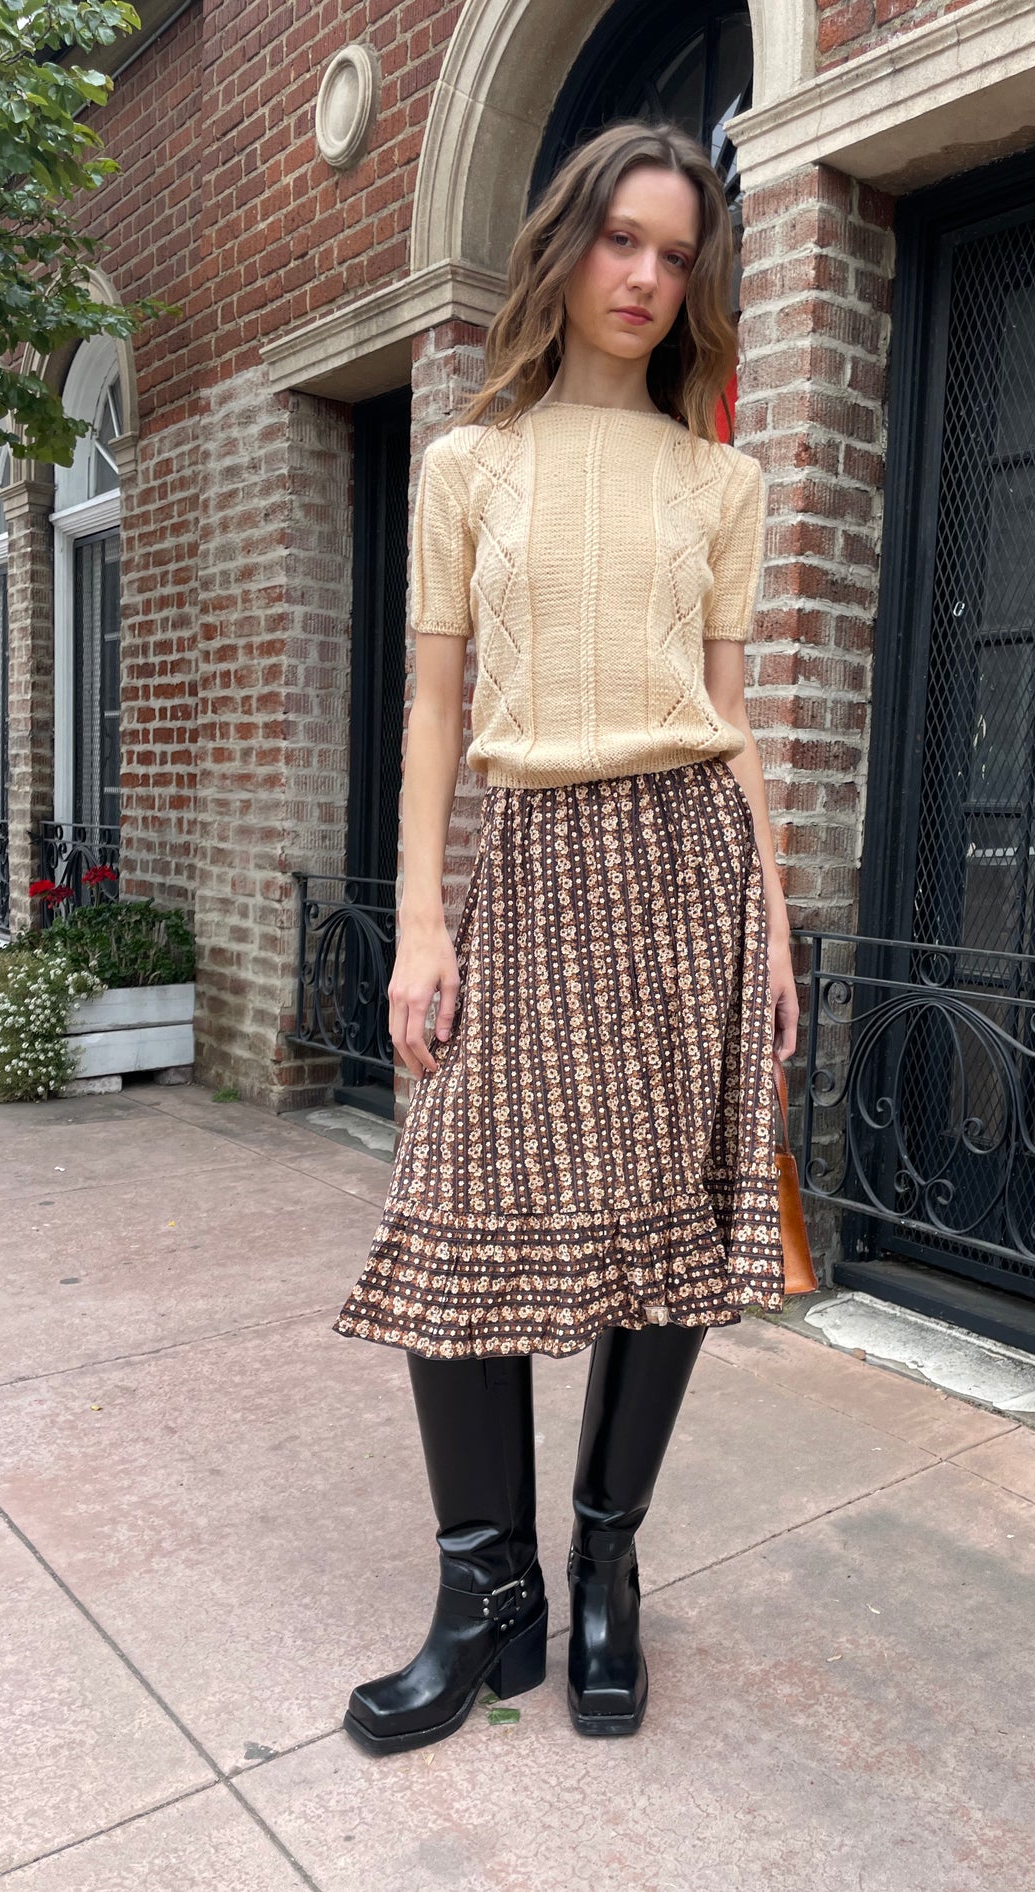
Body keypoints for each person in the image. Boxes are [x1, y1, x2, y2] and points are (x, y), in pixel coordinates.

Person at [333, 117, 798, 1753]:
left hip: (687, 864)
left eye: (677, 255)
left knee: (662, 1235)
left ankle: (606, 1574)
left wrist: (779, 932)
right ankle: (487, 1599)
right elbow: (434, 708)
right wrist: (419, 919)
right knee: (455, 1214)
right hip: (523, 860)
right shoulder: (472, 462)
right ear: (566, 246)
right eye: (624, 240)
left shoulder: (720, 480)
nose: (649, 279)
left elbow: (730, 722)